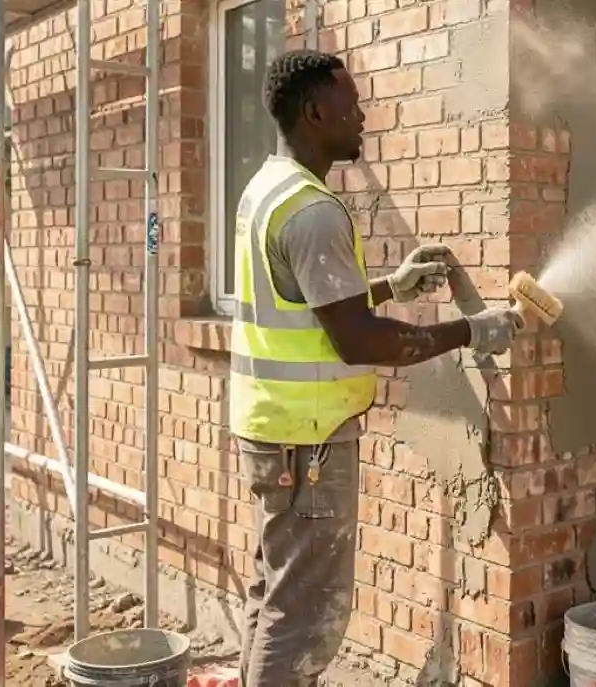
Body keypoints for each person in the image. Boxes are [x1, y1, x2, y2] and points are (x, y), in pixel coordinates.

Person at [229, 49, 524, 687]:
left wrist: (391, 284)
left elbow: (310, 304)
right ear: (314, 112)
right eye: (351, 104)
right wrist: (473, 330)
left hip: (274, 429)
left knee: (275, 595)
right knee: (304, 616)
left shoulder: (269, 189)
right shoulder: (313, 212)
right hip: (307, 440)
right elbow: (356, 340)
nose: (362, 116)